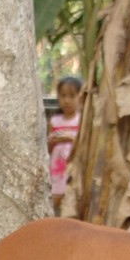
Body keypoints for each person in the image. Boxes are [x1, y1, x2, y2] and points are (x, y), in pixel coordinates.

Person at [46, 75, 82, 216]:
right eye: (63, 96)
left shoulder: (81, 120)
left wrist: (71, 139)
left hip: (73, 170)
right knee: (53, 201)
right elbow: (47, 150)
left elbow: (83, 146)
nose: (67, 100)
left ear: (80, 97)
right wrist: (52, 142)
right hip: (56, 170)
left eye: (72, 96)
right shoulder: (55, 121)